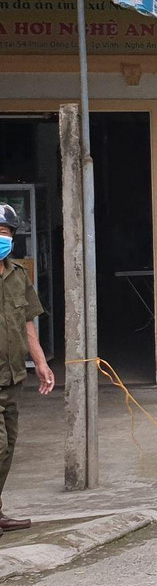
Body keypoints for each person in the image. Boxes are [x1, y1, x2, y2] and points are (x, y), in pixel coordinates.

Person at [0, 203, 53, 536]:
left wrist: (42, 362)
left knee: (10, 445)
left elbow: (28, 325)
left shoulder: (19, 276)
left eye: (3, 232)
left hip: (12, 376)